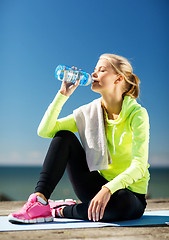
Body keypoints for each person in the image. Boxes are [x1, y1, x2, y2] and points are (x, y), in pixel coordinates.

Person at [8, 53, 150, 224]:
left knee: (123, 204)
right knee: (64, 137)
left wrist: (108, 189)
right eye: (94, 70)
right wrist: (63, 94)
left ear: (118, 79)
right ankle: (40, 201)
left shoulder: (137, 114)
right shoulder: (89, 112)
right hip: (95, 186)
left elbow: (139, 166)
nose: (94, 74)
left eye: (102, 70)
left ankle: (60, 210)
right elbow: (45, 130)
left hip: (128, 194)